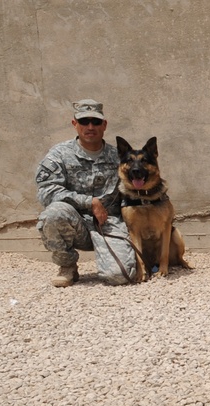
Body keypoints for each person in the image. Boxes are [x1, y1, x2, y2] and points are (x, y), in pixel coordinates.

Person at [35, 99, 135, 287]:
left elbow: (134, 190)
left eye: (96, 122)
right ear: (75, 124)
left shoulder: (119, 157)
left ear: (104, 125)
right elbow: (47, 192)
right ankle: (67, 266)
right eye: (84, 121)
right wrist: (90, 202)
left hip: (108, 224)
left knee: (120, 277)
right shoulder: (59, 154)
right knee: (54, 213)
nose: (90, 126)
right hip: (75, 224)